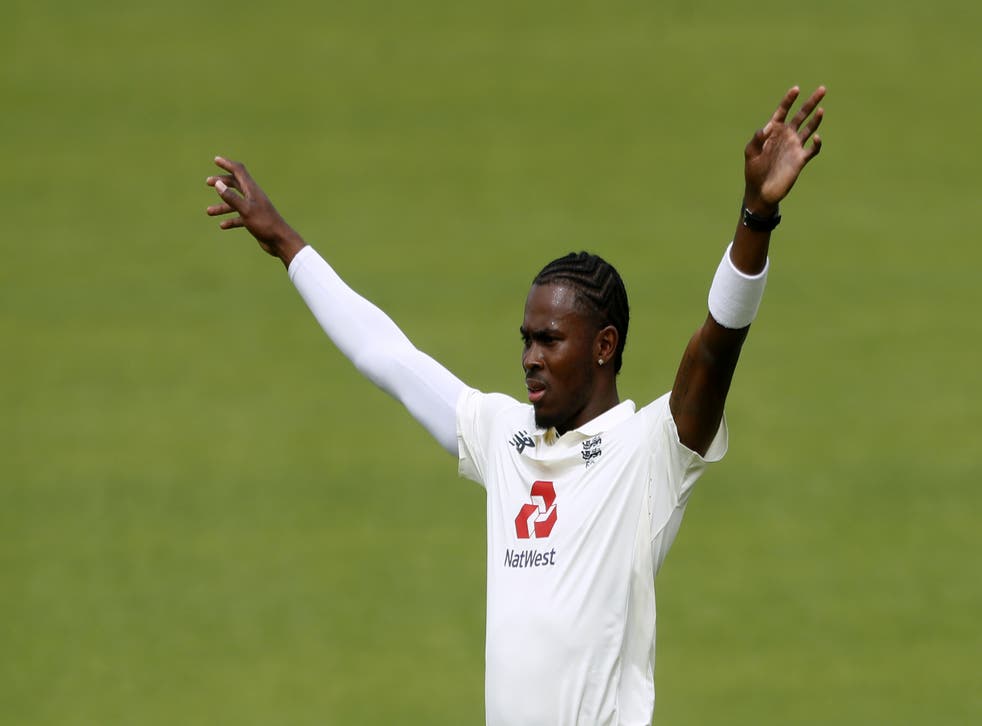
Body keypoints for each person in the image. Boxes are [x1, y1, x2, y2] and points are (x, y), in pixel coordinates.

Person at [205, 85, 826, 725]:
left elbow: (716, 346)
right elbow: (387, 356)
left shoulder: (652, 452)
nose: (529, 356)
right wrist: (286, 243)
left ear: (604, 347)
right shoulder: (502, 436)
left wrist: (755, 216)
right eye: (526, 340)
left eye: (550, 341)